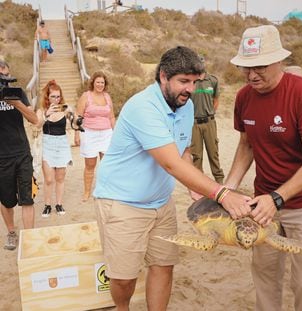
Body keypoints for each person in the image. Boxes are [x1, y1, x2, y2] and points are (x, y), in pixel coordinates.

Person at [93, 46, 251, 311]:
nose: (190, 89)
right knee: (124, 278)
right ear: (164, 77)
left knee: (163, 265)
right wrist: (222, 194)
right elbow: (170, 162)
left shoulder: (186, 106)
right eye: (184, 81)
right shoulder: (143, 107)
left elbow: (184, 152)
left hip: (161, 203)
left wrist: (195, 188)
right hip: (122, 203)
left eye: (195, 82)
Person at [225, 25, 302, 311]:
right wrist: (227, 190)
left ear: (279, 61)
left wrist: (278, 198)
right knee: (265, 276)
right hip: (263, 205)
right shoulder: (243, 97)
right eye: (246, 67)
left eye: (259, 66)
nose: (251, 75)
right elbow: (246, 145)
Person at [0, 60, 37, 250]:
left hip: (22, 153)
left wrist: (16, 103)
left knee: (27, 197)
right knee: (5, 200)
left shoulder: (18, 93)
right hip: (2, 158)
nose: (4, 82)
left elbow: (34, 119)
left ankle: (29, 238)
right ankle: (12, 233)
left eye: (6, 77)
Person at [75, 71, 115, 202]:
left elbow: (111, 116)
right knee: (90, 165)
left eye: (102, 82)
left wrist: (116, 133)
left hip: (106, 133)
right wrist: (76, 134)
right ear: (93, 82)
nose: (100, 84)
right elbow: (78, 117)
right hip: (89, 133)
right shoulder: (86, 96)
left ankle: (105, 191)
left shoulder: (108, 97)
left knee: (107, 164)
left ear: (105, 84)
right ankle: (87, 192)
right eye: (98, 82)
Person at [35, 80, 72, 217]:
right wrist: (46, 115)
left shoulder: (65, 108)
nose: (56, 99)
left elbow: (74, 121)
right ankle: (47, 205)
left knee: (60, 178)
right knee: (49, 179)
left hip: (62, 145)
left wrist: (75, 119)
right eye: (53, 96)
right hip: (48, 145)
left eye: (58, 96)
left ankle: (59, 204)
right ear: (47, 97)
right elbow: (37, 125)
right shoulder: (41, 110)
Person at [190, 56, 224, 183]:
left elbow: (216, 99)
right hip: (194, 124)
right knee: (196, 155)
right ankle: (199, 182)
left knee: (213, 153)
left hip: (209, 123)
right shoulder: (191, 81)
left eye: (201, 64)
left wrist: (211, 113)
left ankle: (219, 181)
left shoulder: (213, 80)